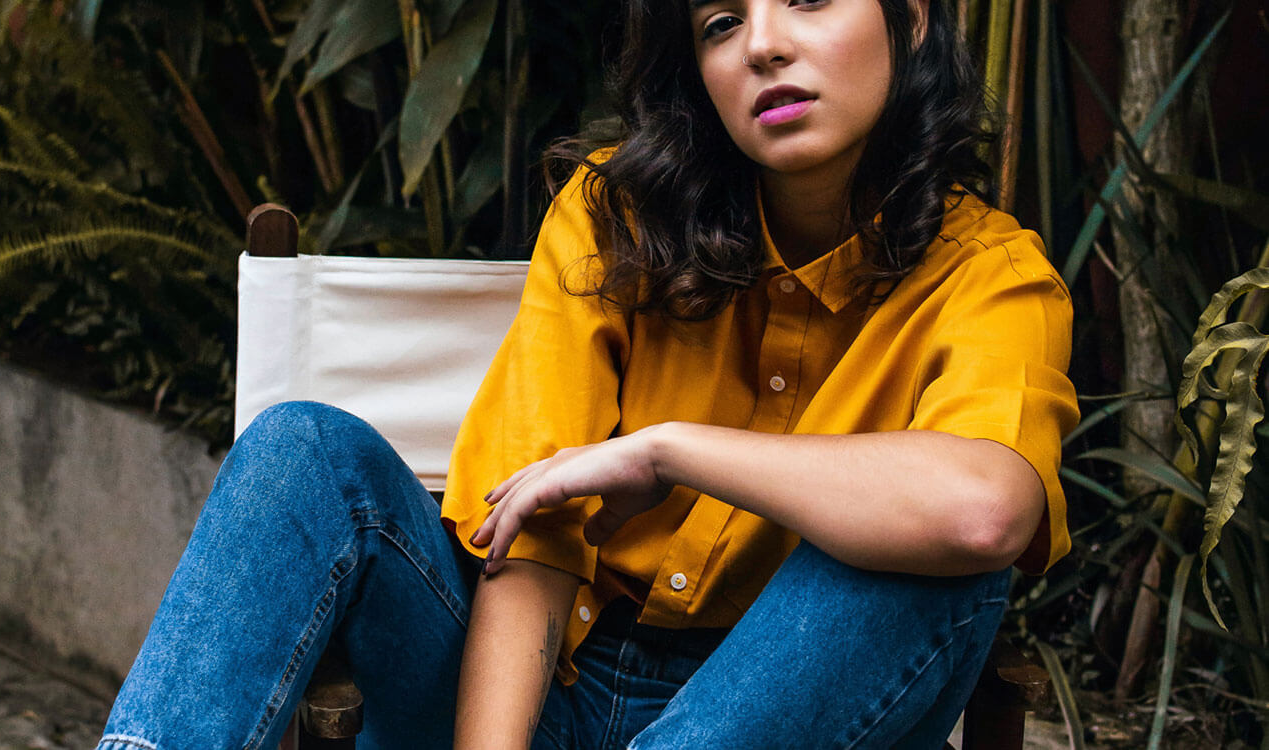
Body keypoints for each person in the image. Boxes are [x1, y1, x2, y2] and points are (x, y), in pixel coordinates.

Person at [97, 0, 1078, 748]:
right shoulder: (616, 217)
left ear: (912, 21)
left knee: (932, 546)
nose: (764, 46)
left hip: (774, 701)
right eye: (721, 23)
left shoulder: (990, 276)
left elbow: (983, 513)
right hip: (542, 691)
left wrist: (669, 452)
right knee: (305, 449)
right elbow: (528, 540)